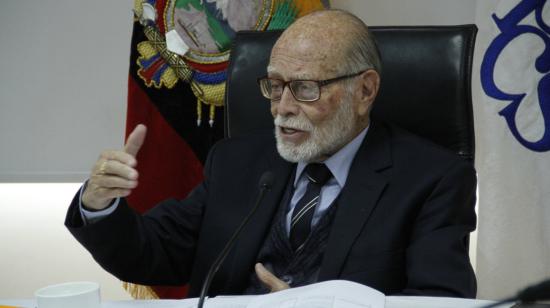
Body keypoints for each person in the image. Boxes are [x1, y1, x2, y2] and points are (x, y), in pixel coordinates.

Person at [65, 9, 477, 298]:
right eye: (275, 86)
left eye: (305, 88)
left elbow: (439, 301)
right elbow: (154, 253)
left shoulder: (432, 179)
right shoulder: (237, 161)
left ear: (364, 91)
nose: (282, 108)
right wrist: (98, 204)